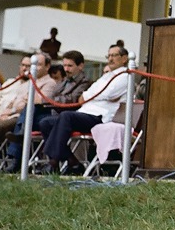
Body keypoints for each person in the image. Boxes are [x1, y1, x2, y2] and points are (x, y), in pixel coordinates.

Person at [39, 44, 130, 175]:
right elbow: (90, 94)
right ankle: (73, 162)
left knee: (66, 116)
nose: (110, 59)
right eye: (108, 55)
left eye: (114, 55)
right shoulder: (106, 76)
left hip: (100, 117)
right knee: (45, 122)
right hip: (85, 113)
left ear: (124, 58)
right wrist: (93, 95)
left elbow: (108, 93)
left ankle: (53, 162)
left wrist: (90, 95)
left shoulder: (125, 76)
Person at [5, 50, 92, 170]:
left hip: (69, 116)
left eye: (70, 66)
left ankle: (22, 141)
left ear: (81, 66)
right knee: (33, 107)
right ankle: (22, 140)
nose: (66, 69)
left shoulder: (85, 82)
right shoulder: (64, 81)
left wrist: (46, 100)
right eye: (65, 65)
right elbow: (56, 98)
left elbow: (72, 100)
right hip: (54, 112)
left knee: (41, 117)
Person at [0, 53, 56, 150]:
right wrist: (7, 111)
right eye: (34, 65)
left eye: (39, 65)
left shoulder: (49, 82)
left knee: (0, 127)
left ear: (47, 66)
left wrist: (11, 111)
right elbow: (17, 100)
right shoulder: (29, 81)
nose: (35, 68)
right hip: (12, 115)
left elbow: (38, 102)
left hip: (25, 117)